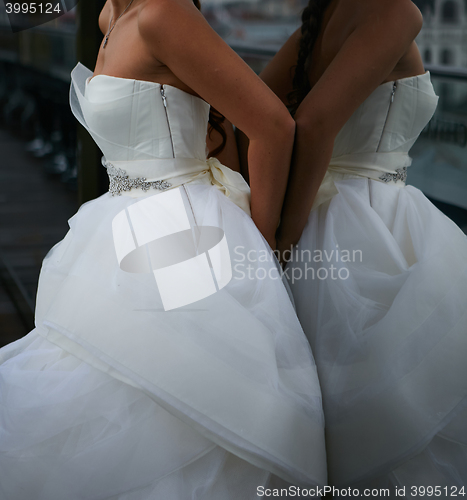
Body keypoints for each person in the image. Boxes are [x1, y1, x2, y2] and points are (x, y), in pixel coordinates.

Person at [0, 0, 327, 498]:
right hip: (115, 227)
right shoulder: (109, 16)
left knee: (189, 392)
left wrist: (260, 242)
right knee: (117, 383)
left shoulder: (162, 14)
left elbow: (273, 127)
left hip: (185, 229)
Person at [260, 0, 467, 494]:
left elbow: (264, 105)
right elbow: (311, 124)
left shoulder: (326, 16)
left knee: (332, 399)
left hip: (314, 217)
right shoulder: (397, 12)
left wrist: (282, 230)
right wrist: (282, 237)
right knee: (394, 400)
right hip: (374, 225)